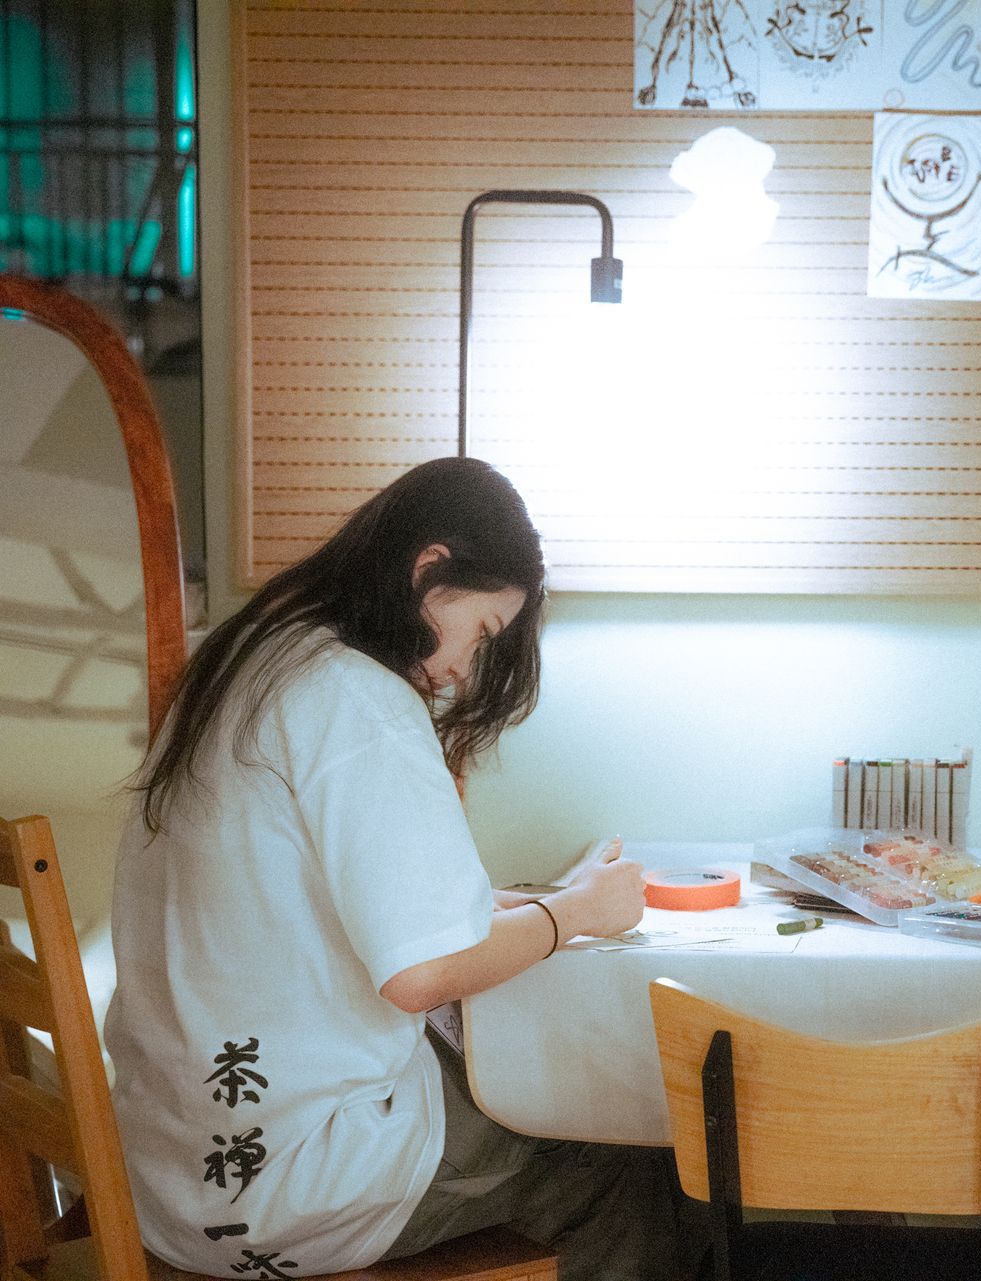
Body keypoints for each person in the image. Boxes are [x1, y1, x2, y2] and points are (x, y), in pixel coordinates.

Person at [105, 457, 685, 1281]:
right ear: (429, 569)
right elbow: (422, 972)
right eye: (481, 632)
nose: (461, 670)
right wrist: (573, 916)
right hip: (286, 1182)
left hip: (170, 1164)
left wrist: (539, 902)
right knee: (628, 1147)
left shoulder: (253, 658)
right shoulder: (357, 697)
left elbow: (317, 897)